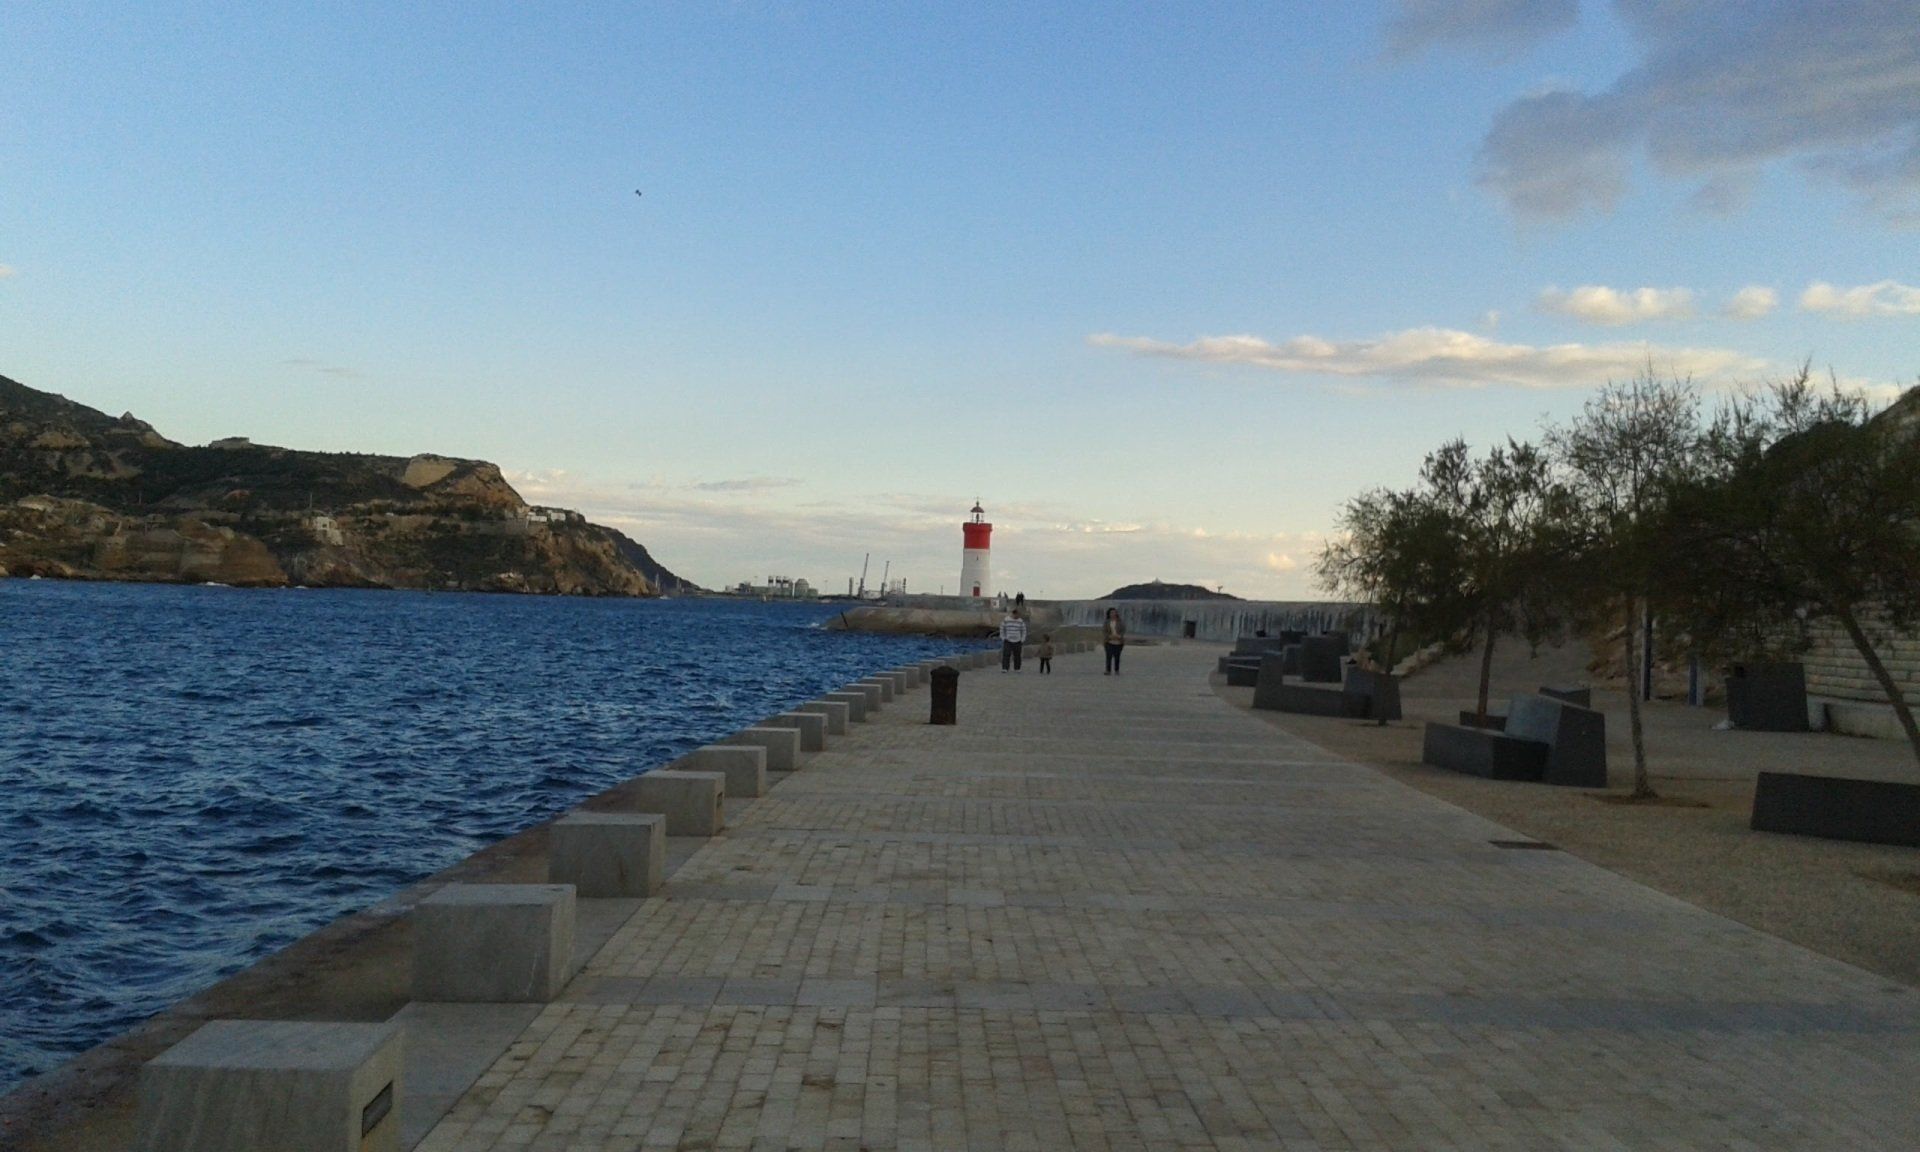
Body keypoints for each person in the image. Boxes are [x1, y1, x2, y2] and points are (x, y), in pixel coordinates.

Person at [1000, 606, 1028, 672]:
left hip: (1018, 641)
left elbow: (1024, 631)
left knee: (1017, 655)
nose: (1019, 616)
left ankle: (1017, 668)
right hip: (1008, 640)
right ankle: (1005, 668)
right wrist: (1003, 638)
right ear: (1014, 613)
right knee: (1006, 654)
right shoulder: (1006, 620)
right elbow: (1002, 629)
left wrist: (1022, 639)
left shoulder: (1020, 621)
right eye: (1018, 614)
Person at [1102, 608, 1125, 675]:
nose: (1113, 614)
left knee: (1117, 657)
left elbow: (1123, 630)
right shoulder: (1107, 622)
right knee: (1108, 656)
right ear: (1109, 614)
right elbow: (1104, 631)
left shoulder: (1120, 621)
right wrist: (1109, 636)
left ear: (1116, 613)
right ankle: (1108, 670)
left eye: (1114, 612)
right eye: (1111, 613)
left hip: (1118, 642)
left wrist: (1119, 636)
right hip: (1109, 641)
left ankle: (1116, 670)